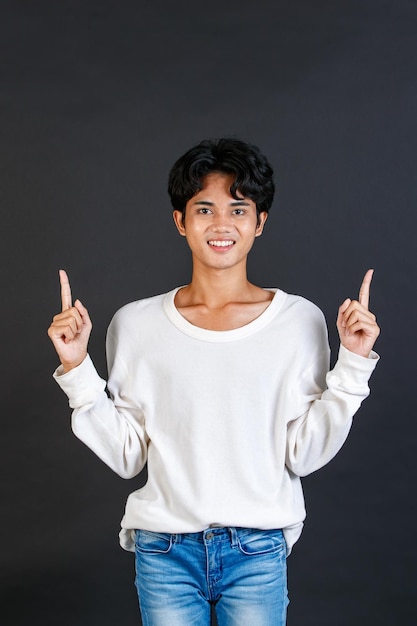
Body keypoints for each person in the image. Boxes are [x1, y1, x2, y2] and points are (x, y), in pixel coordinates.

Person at [48, 138, 380, 626]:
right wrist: (77, 368)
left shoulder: (299, 321)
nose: (221, 224)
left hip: (257, 549)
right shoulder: (135, 325)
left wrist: (352, 364)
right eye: (204, 208)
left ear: (259, 222)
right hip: (163, 552)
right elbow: (128, 456)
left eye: (238, 208)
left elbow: (303, 455)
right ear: (181, 220)